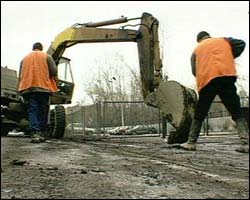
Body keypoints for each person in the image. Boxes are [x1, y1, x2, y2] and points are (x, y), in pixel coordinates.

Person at [179, 31, 249, 153]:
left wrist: (203, 73)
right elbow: (241, 43)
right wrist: (228, 56)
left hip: (208, 80)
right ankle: (246, 142)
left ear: (199, 40)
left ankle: (191, 142)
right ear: (208, 36)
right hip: (227, 76)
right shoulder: (224, 40)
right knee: (236, 110)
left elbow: (194, 70)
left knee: (200, 112)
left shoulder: (197, 49)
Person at [18, 42, 58, 143]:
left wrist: (19, 90)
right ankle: (42, 133)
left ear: (33, 48)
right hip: (43, 87)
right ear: (41, 49)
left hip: (28, 88)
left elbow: (20, 75)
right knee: (43, 110)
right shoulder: (47, 56)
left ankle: (35, 133)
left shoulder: (24, 59)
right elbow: (54, 72)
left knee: (33, 109)